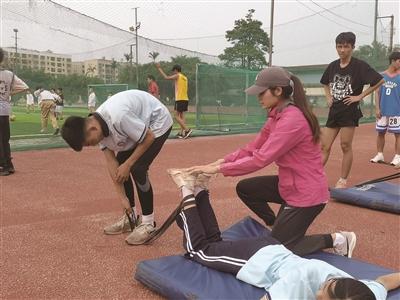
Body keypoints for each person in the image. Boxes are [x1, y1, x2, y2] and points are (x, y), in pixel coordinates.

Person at [186, 66, 352, 257]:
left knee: (280, 250)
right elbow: (252, 148)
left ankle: (338, 239)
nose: (258, 97)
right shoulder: (276, 115)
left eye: (261, 92)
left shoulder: (292, 119)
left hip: (307, 193)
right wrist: (219, 161)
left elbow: (260, 159)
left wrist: (217, 169)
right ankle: (278, 228)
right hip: (289, 184)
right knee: (246, 189)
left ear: (278, 91)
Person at [168, 170, 400, 300]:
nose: (320, 290)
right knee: (199, 250)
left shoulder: (361, 294)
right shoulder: (302, 280)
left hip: (273, 249)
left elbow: (384, 282)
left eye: (323, 293)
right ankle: (186, 188)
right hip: (256, 259)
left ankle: (200, 189)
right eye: (325, 288)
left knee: (214, 244)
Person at [61, 89, 173, 245]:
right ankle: (130, 217)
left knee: (137, 168)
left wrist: (128, 164)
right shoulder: (96, 128)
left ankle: (148, 224)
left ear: (92, 129)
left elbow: (148, 137)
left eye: (88, 143)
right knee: (121, 166)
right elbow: (112, 164)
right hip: (138, 124)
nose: (91, 146)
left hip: (157, 122)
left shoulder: (119, 117)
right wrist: (123, 199)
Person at [320, 32, 384, 188]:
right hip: (334, 111)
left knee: (345, 146)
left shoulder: (359, 66)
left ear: (352, 47)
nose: (342, 50)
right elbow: (325, 83)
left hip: (349, 112)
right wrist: (328, 96)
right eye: (339, 46)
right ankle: (313, 176)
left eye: (346, 47)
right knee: (324, 146)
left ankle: (342, 180)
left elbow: (379, 81)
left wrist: (360, 96)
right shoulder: (333, 65)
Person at [0, 47, 29, 176]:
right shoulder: (9, 74)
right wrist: (9, 93)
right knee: (5, 139)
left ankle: (4, 166)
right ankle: (9, 165)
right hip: (5, 109)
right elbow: (24, 87)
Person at [370, 51, 400, 166]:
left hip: (396, 110)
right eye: (399, 61)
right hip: (383, 110)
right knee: (380, 132)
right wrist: (377, 108)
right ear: (393, 61)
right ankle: (379, 154)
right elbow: (377, 93)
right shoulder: (381, 76)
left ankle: (397, 156)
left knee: (398, 134)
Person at [155, 63, 192, 139]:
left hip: (179, 99)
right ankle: (182, 132)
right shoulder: (185, 77)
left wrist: (159, 68)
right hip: (185, 98)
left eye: (173, 71)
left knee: (175, 116)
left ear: (176, 70)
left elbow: (166, 77)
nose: (173, 72)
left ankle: (187, 129)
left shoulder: (178, 75)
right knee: (181, 115)